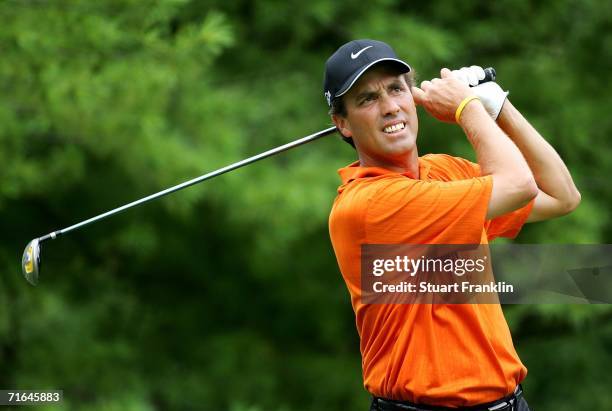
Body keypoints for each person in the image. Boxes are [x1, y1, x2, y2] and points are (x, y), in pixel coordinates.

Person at [324, 39, 581, 411]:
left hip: (508, 403)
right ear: (342, 123)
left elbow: (561, 196)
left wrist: (499, 106)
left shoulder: (442, 172)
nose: (390, 107)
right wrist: (468, 108)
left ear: (413, 97)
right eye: (367, 99)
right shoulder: (367, 204)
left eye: (396, 89)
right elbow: (518, 185)